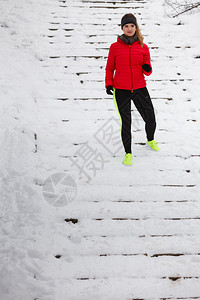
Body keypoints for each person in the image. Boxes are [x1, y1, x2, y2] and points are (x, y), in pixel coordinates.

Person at [105, 13, 160, 166]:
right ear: (122, 28)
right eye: (126, 26)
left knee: (150, 117)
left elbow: (148, 70)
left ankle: (150, 140)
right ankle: (128, 153)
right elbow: (110, 67)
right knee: (126, 122)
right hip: (121, 89)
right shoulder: (115, 47)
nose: (129, 29)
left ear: (136, 28)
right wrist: (109, 83)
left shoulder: (143, 47)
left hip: (139, 87)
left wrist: (147, 68)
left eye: (132, 26)